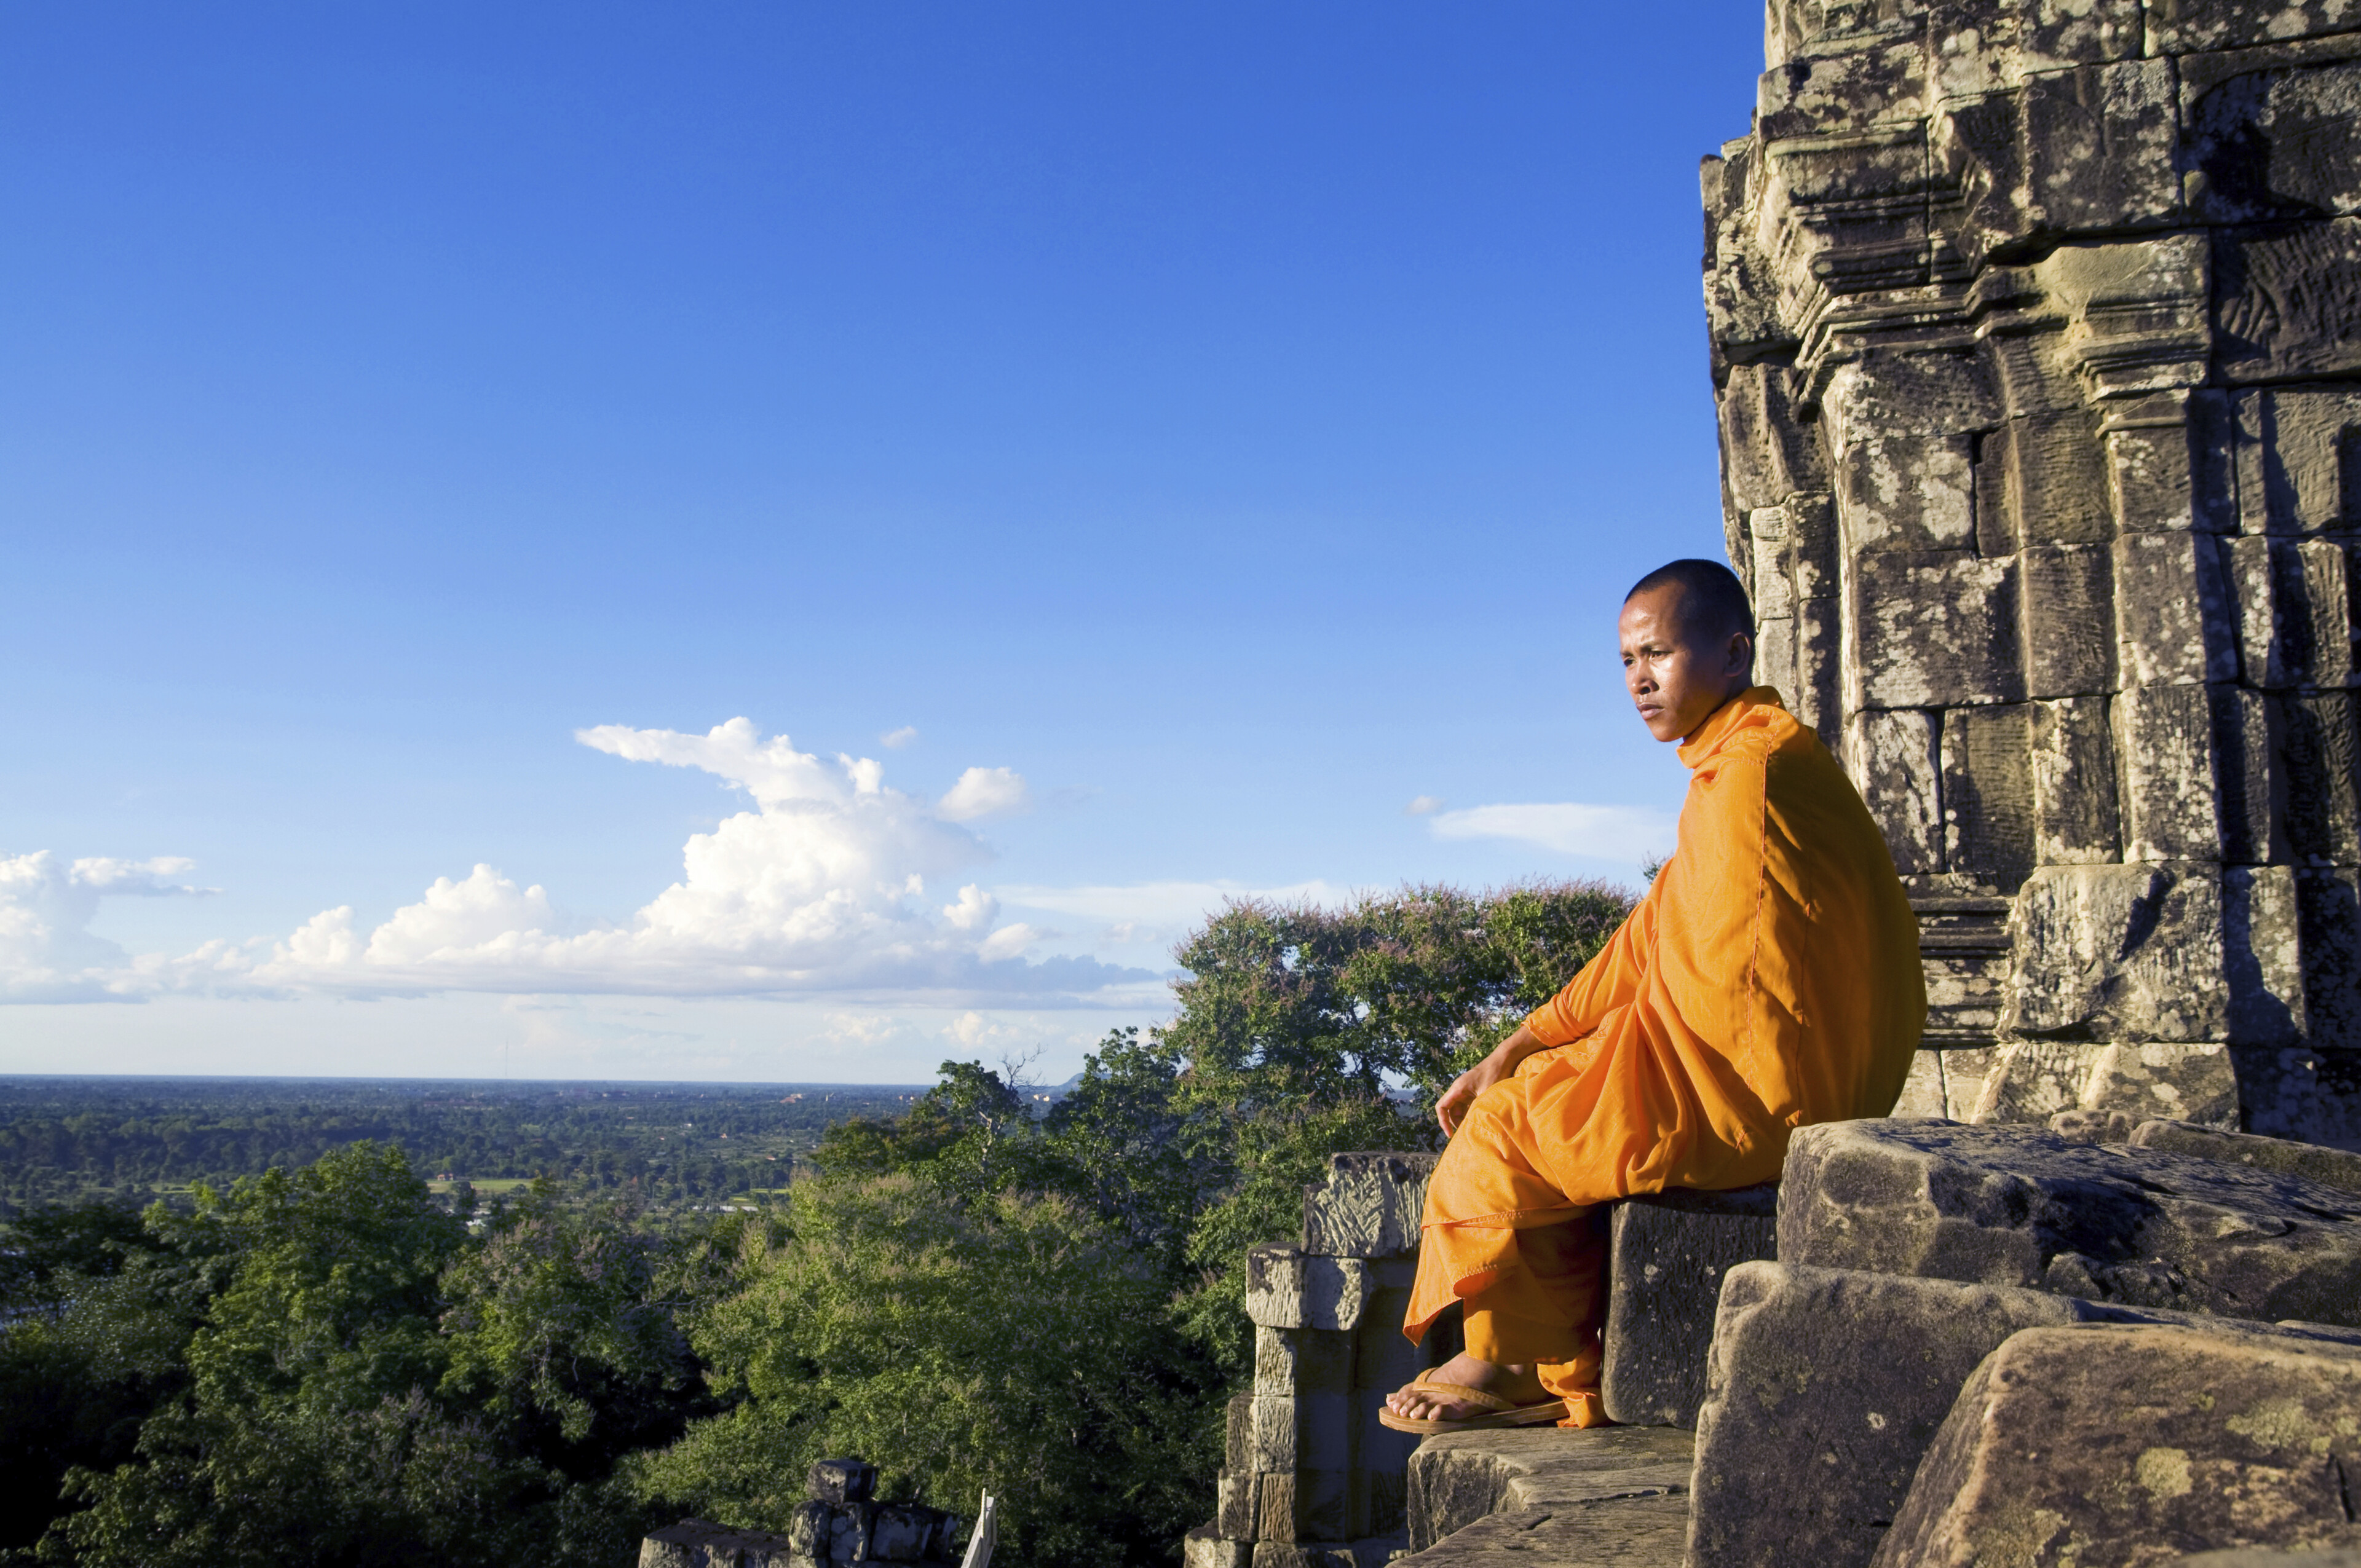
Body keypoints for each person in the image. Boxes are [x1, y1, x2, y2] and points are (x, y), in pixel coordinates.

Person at [1380, 558, 1924, 1433]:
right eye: (1627, 660)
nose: (1639, 679)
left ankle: (1513, 1366)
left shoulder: (1755, 773)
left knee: (1505, 1128)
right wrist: (1521, 1041)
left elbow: (1718, 976)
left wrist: (1567, 1060)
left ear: (1733, 653)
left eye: (1660, 654)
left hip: (1766, 1092)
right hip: (1806, 1074)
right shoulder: (1744, 762)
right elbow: (1656, 936)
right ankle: (1546, 1351)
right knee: (1535, 1088)